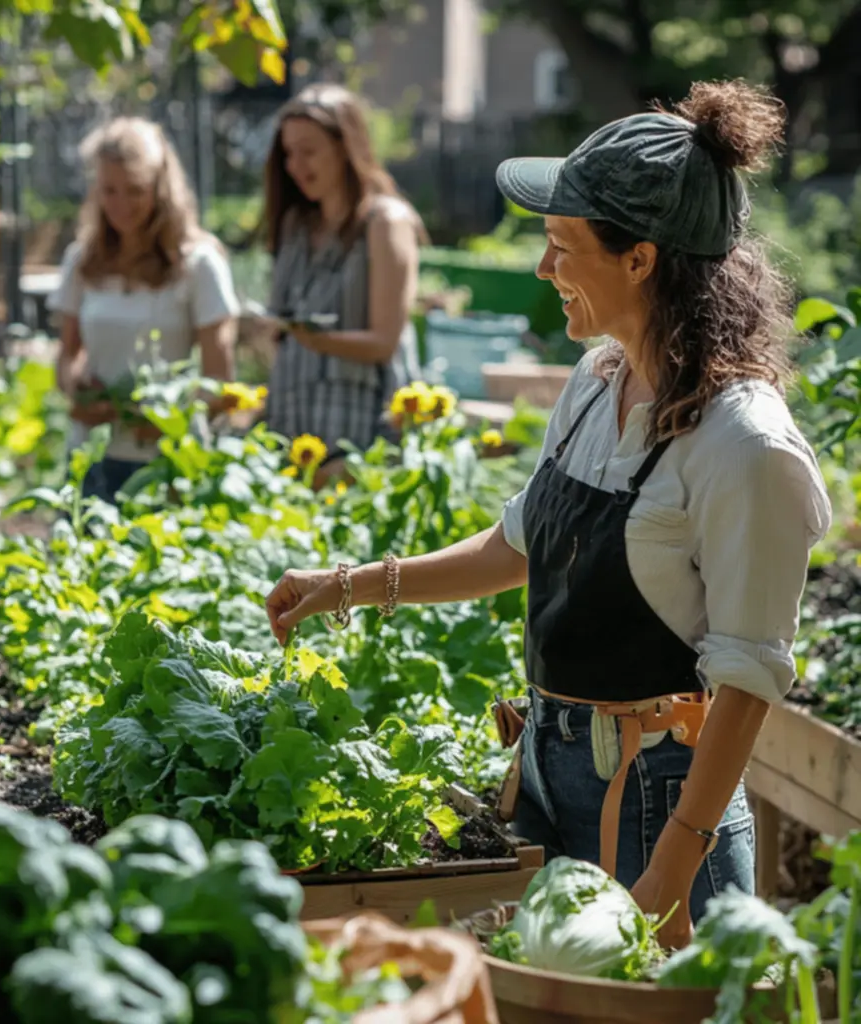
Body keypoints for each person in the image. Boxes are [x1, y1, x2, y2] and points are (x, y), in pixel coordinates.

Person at [264, 80, 833, 949]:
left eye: (562, 247)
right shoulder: (599, 378)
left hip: (660, 807)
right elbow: (517, 543)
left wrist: (669, 874)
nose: (543, 270)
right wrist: (344, 587)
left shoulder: (744, 446)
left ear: (640, 258)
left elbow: (749, 683)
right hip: (549, 771)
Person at [48, 117, 238, 503]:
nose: (121, 205)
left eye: (135, 190)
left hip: (167, 463)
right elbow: (67, 357)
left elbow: (221, 381)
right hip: (93, 455)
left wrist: (167, 418)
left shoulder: (198, 263)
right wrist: (78, 390)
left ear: (161, 187)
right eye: (109, 191)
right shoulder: (82, 261)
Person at [261, 83, 426, 486]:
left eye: (309, 150)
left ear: (346, 147)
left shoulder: (385, 222)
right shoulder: (296, 226)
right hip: (294, 436)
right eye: (288, 153)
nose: (295, 165)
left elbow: (385, 341)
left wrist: (315, 338)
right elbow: (278, 332)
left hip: (363, 443)